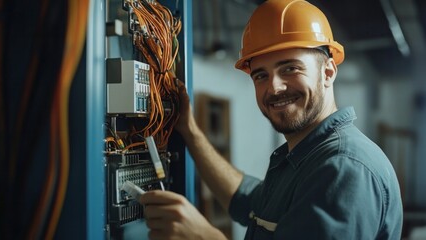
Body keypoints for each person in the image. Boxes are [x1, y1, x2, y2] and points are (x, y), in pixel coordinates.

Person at [139, 0, 404, 239]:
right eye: (260, 76)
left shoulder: (343, 168)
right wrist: (189, 130)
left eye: (290, 68)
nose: (274, 88)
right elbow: (247, 201)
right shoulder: (305, 157)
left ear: (328, 72)